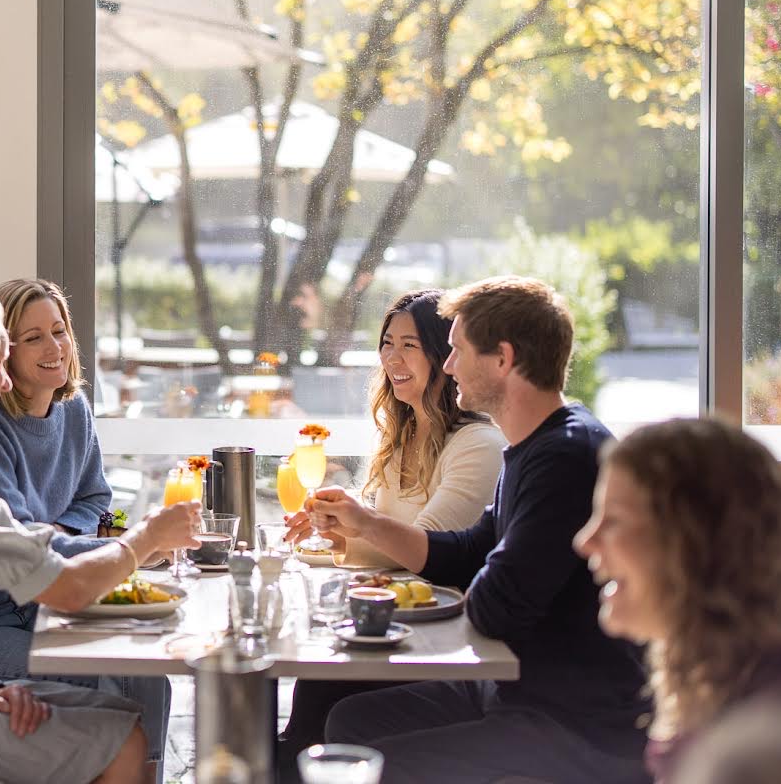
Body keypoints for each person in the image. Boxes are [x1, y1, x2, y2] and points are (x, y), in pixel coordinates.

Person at [296, 276, 650, 784]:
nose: (447, 365)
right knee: (349, 719)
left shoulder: (565, 458)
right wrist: (366, 522)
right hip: (517, 691)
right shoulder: (531, 446)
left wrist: (478, 568)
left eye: (457, 349)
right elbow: (467, 550)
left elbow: (496, 604)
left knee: (369, 756)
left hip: (574, 721)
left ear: (502, 359)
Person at [0, 286, 200, 784]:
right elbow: (64, 586)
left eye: (59, 332)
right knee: (123, 738)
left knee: (127, 711)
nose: (3, 383)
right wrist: (148, 538)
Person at [276, 289, 504, 773]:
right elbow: (388, 542)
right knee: (311, 692)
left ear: (444, 357)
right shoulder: (400, 436)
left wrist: (357, 526)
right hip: (400, 626)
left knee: (319, 696)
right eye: (386, 343)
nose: (392, 358)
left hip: (446, 640)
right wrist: (339, 535)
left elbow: (427, 545)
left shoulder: (477, 444)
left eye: (409, 345)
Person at [0, 278, 173, 775]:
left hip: (62, 593)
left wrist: (88, 533)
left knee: (152, 674)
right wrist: (128, 546)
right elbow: (22, 547)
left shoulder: (75, 409)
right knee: (104, 676)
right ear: (4, 352)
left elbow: (103, 502)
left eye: (59, 331)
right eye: (33, 337)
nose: (53, 347)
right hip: (0, 615)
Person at [572, 417, 781, 783]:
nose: (584, 540)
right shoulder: (725, 671)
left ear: (695, 545)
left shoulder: (764, 753)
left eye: (614, 521)